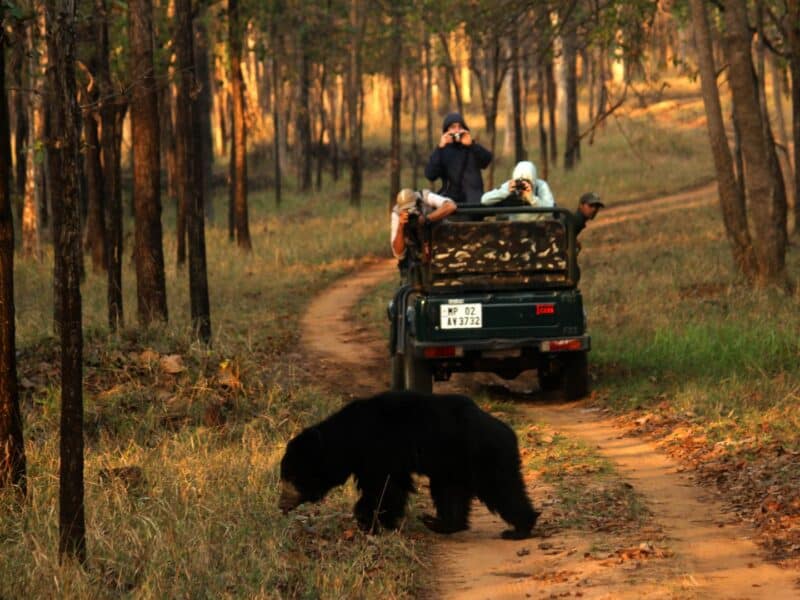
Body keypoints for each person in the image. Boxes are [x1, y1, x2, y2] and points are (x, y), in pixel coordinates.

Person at [425, 112, 492, 205]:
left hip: (473, 201)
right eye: (453, 127)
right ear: (446, 131)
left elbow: (487, 160)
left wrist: (472, 145)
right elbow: (430, 175)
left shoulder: (472, 148)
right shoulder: (442, 151)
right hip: (451, 202)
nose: (457, 130)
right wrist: (439, 148)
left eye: (460, 127)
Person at [391, 188, 456, 274]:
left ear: (417, 202)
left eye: (412, 208)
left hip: (438, 246)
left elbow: (451, 206)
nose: (410, 212)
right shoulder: (397, 213)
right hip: (415, 257)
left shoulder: (424, 197)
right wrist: (401, 226)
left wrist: (427, 219)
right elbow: (398, 253)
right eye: (406, 210)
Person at [480, 161, 554, 220]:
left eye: (527, 181)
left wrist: (531, 198)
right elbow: (484, 200)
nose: (522, 185)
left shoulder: (540, 186)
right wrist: (505, 191)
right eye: (518, 181)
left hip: (537, 227)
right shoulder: (510, 185)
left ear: (533, 181)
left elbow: (550, 211)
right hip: (513, 228)